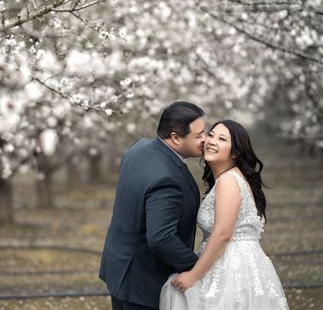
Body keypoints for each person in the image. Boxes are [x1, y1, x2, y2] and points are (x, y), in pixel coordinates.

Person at [160, 120, 289, 309]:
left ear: (235, 152)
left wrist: (194, 275)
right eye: (210, 135)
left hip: (231, 268)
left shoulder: (228, 181)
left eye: (222, 139)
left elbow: (223, 233)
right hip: (239, 263)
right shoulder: (229, 179)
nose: (211, 141)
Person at [99, 101, 206, 309]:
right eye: (199, 135)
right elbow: (161, 239)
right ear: (175, 138)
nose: (205, 140)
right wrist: (197, 267)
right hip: (143, 282)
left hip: (119, 269)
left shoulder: (138, 148)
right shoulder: (167, 178)